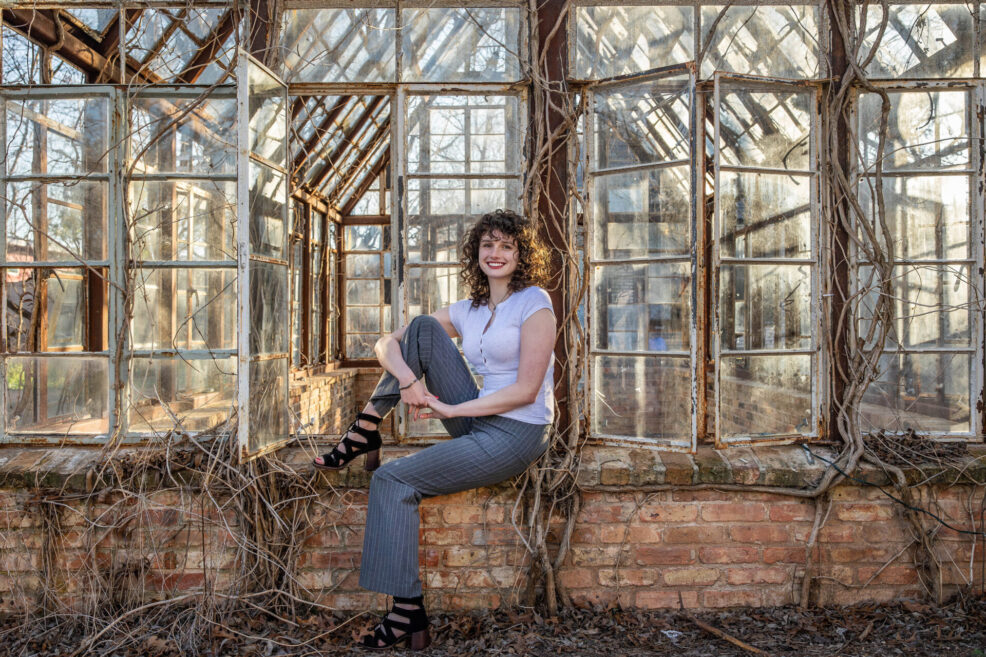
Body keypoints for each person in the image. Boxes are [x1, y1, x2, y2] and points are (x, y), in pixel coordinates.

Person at [313, 209, 557, 650]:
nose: (496, 253)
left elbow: (525, 391)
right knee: (423, 328)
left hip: (516, 433)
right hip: (479, 418)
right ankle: (366, 428)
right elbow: (387, 343)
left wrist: (450, 406)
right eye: (488, 245)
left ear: (522, 255)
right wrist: (409, 381)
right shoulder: (471, 309)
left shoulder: (534, 302)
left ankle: (407, 612)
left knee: (391, 478)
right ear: (476, 253)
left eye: (507, 245)